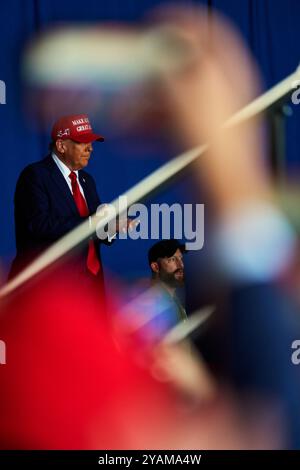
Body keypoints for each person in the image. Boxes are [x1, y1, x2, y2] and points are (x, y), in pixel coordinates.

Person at [9, 114, 116, 290]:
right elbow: (38, 225)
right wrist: (93, 222)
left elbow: (95, 232)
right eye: (82, 142)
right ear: (61, 145)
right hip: (51, 288)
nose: (90, 149)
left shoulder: (87, 180)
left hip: (90, 284)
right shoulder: (35, 175)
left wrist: (111, 226)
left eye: (91, 142)